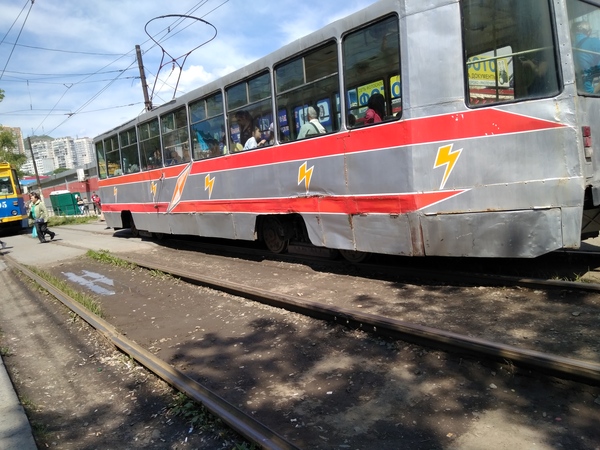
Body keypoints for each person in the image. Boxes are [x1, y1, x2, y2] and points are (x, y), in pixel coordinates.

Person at [572, 20, 600, 93]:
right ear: (588, 32)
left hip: (579, 86)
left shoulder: (569, 46)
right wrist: (594, 91)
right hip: (592, 89)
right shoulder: (595, 42)